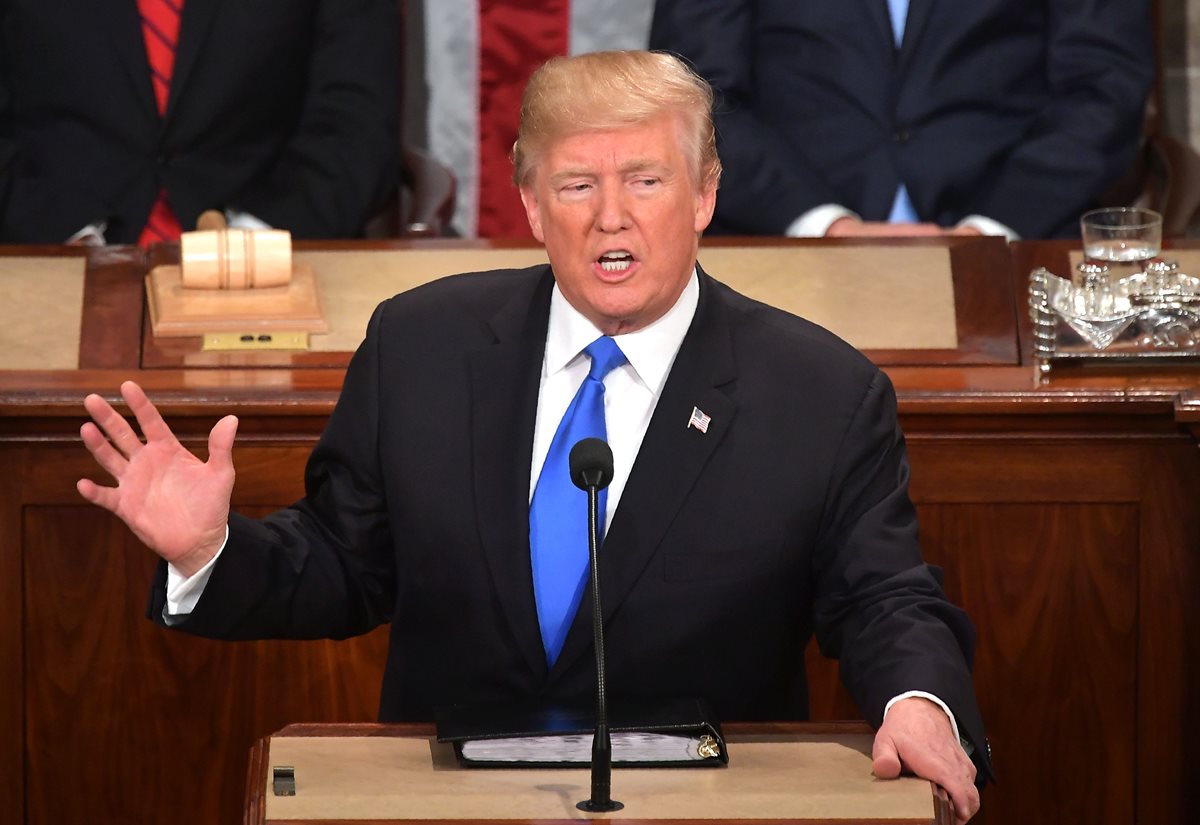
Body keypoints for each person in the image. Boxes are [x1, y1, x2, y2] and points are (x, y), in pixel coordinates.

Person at [77, 50, 989, 822]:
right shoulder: (421, 346)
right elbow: (344, 563)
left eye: (646, 180)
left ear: (706, 194)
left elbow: (885, 599)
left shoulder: (820, 392)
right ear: (529, 200)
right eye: (577, 185)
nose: (611, 217)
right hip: (449, 806)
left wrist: (920, 702)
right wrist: (213, 551)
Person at [649, 0, 1154, 240]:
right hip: (777, 245)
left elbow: (1105, 86)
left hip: (1018, 247)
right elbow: (691, 90)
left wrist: (989, 232)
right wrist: (824, 225)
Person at [0, 0, 399, 244]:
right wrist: (57, 230)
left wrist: (249, 243)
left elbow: (356, 120)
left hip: (271, 242)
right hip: (45, 245)